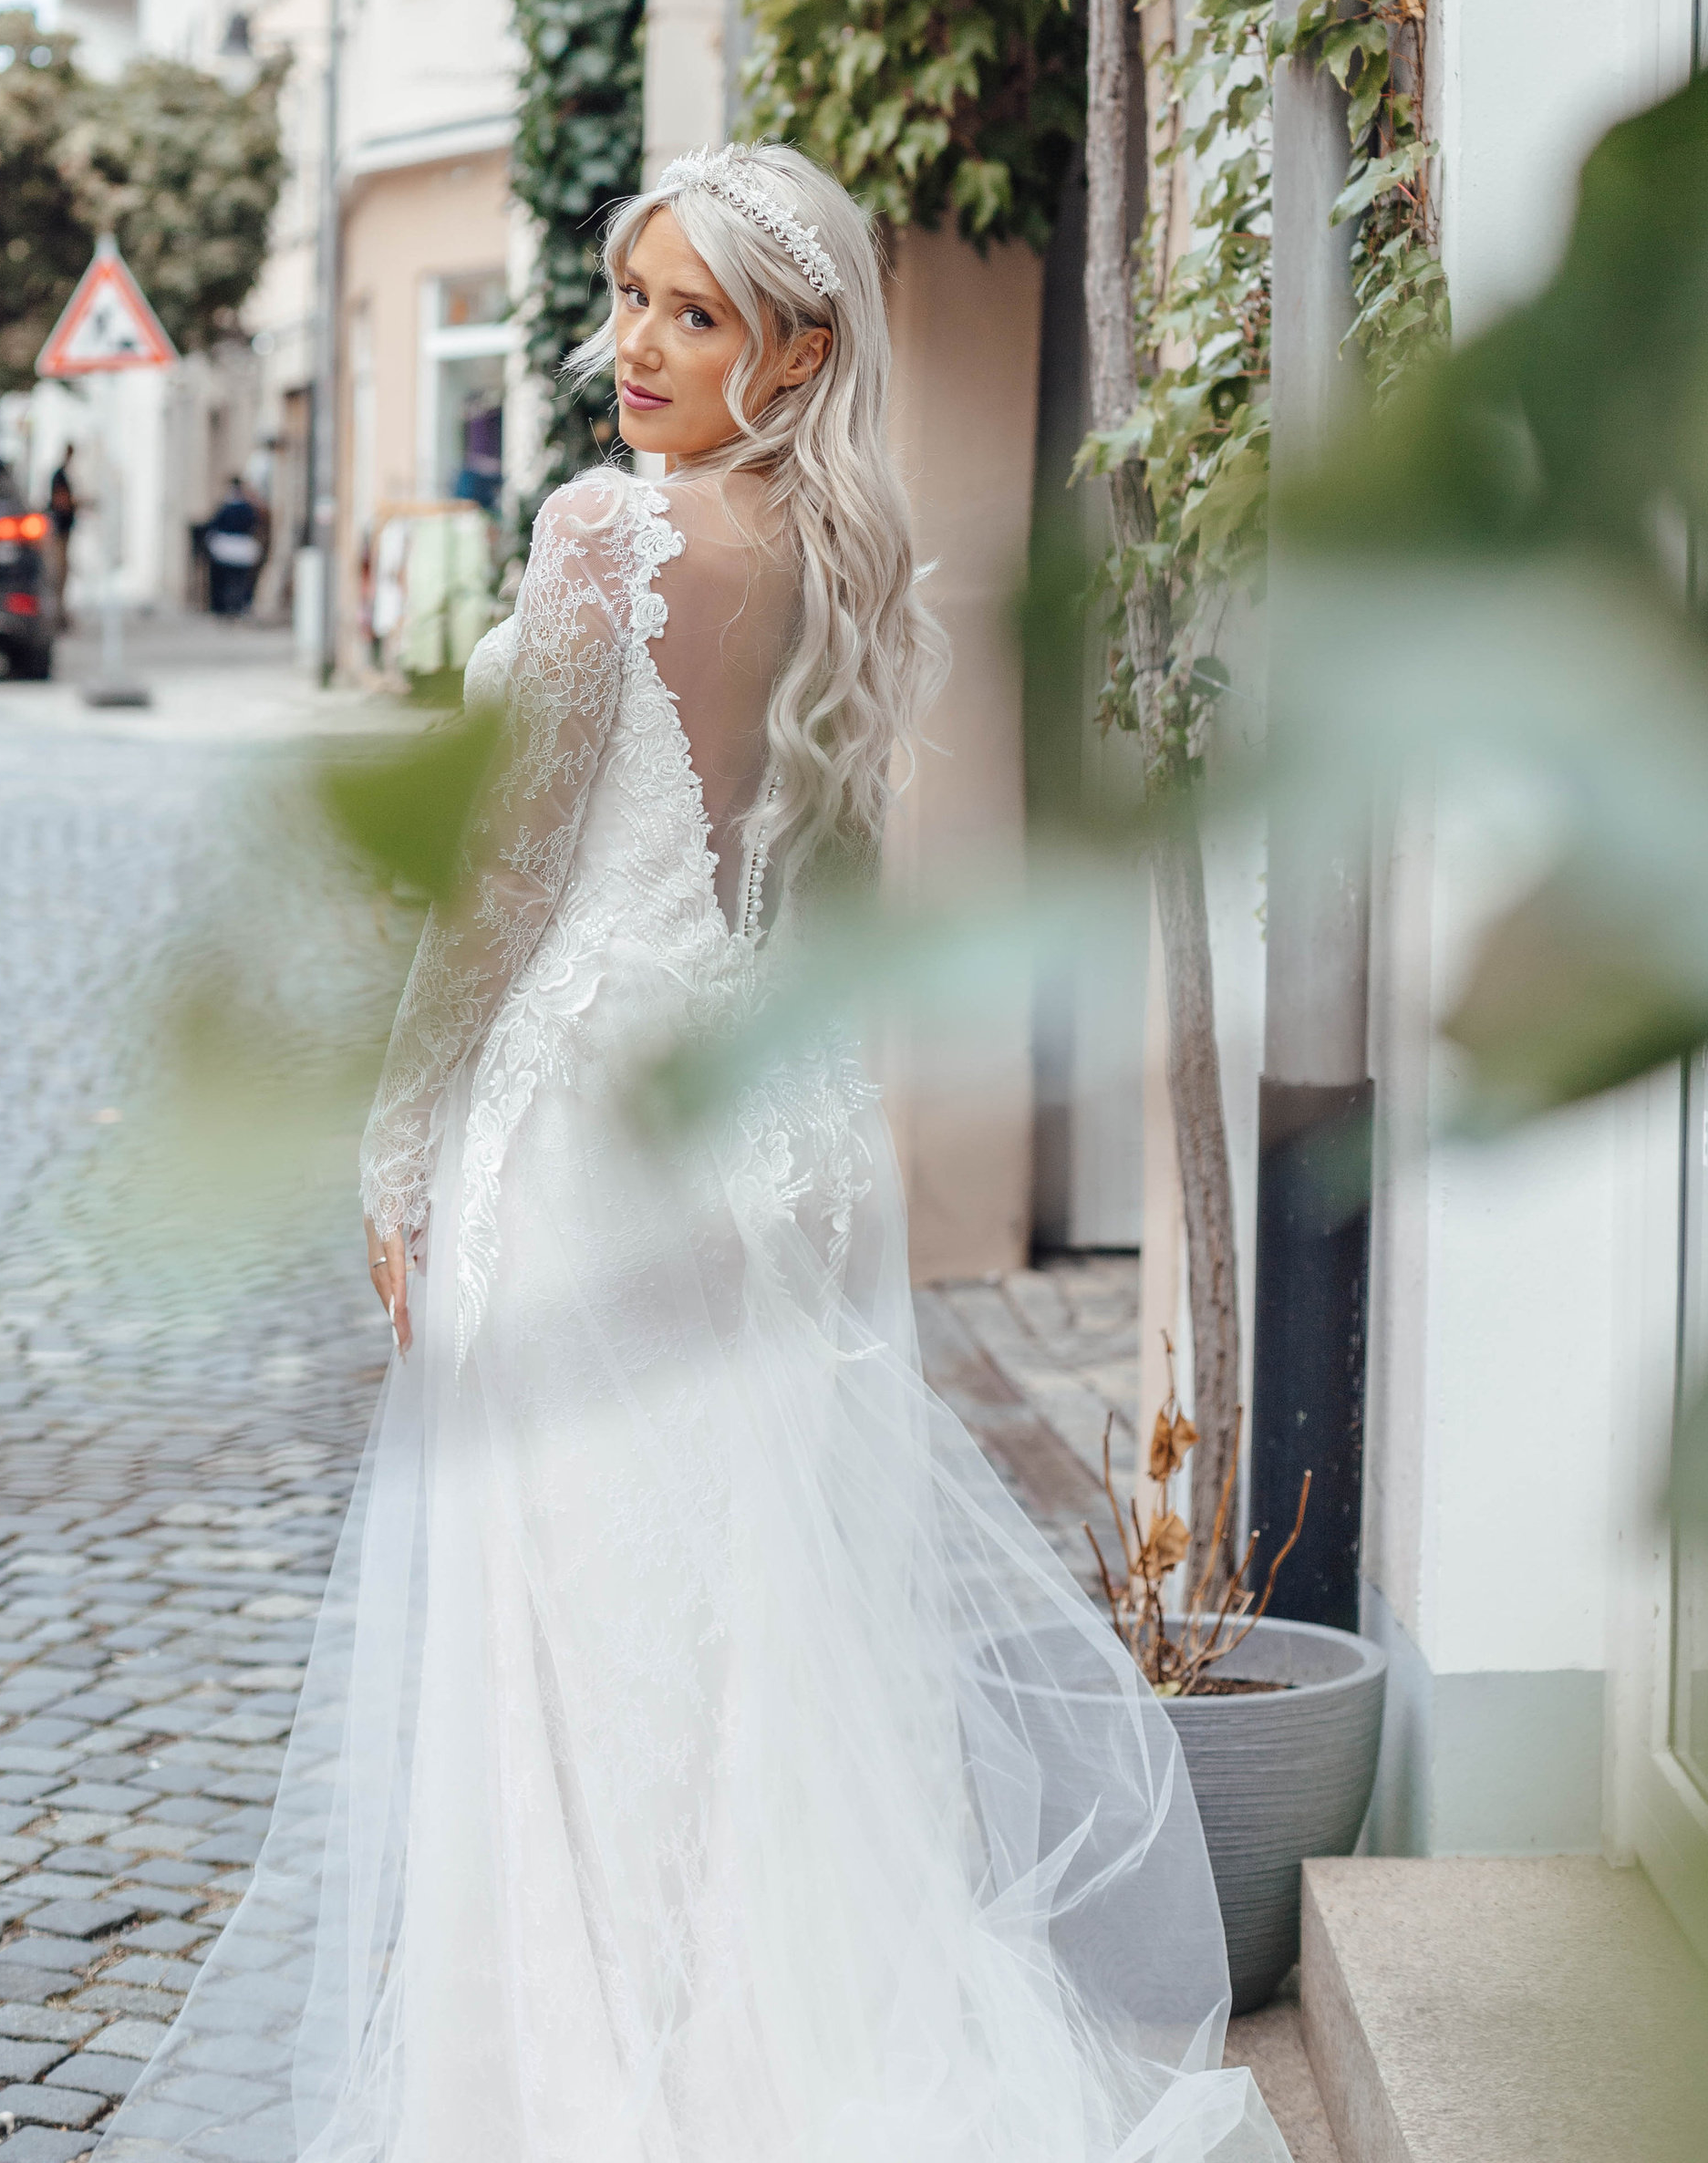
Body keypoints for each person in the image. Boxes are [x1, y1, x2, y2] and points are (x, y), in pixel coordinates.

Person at [109, 141, 1281, 2163]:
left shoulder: (605, 543)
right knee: (736, 1611)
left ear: (800, 347)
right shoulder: (849, 552)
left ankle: (586, 2090)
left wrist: (397, 1152)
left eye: (694, 315)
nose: (633, 346)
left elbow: (496, 888)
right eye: (632, 296)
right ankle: (729, 2048)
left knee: (574, 1626)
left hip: (580, 1132)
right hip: (751, 1122)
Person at [203, 472, 263, 617]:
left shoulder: (229, 507)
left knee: (228, 578)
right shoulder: (246, 507)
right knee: (238, 579)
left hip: (230, 546)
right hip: (239, 547)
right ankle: (236, 605)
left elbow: (215, 524)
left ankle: (228, 606)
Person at [47, 450, 78, 630]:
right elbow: (61, 501)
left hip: (63, 532)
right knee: (58, 574)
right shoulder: (59, 476)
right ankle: (57, 617)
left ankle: (59, 615)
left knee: (63, 574)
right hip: (59, 532)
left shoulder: (63, 474)